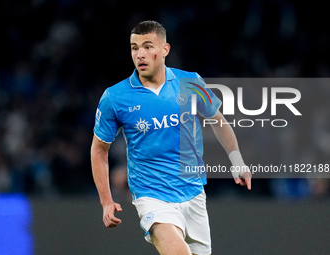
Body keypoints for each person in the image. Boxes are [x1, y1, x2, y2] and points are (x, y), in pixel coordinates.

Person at [91, 20, 251, 255]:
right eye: (135, 48)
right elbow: (99, 149)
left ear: (165, 50)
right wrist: (106, 200)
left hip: (193, 191)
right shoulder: (115, 97)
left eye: (148, 46)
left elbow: (218, 120)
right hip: (152, 196)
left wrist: (237, 160)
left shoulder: (190, 82)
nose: (140, 54)